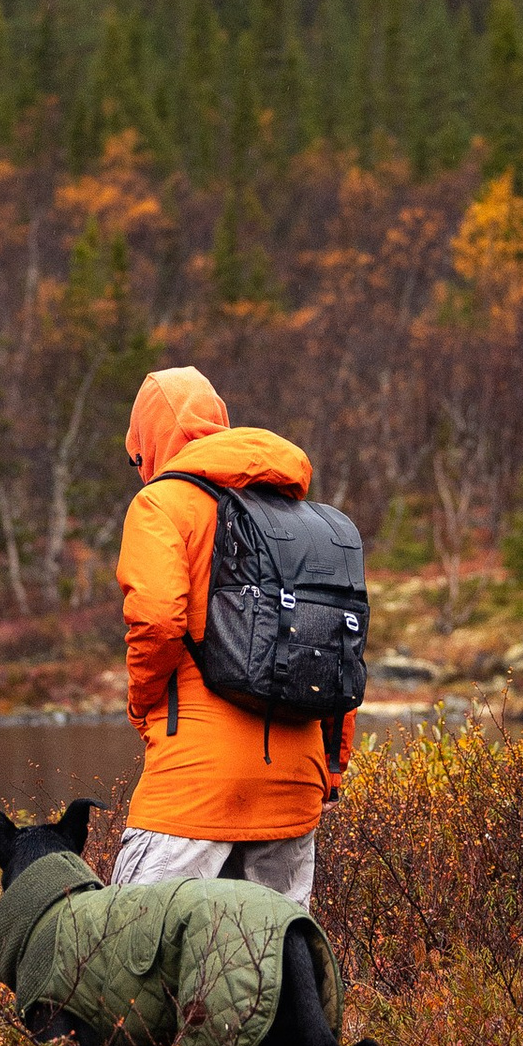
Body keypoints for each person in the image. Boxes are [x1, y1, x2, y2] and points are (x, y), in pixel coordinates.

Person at [112, 363, 356, 914]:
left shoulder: (162, 504)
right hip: (296, 784)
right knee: (269, 975)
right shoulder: (306, 519)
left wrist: (142, 704)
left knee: (123, 952)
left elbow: (155, 619)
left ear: (149, 443)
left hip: (195, 783)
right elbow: (337, 651)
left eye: (137, 456)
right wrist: (332, 765)